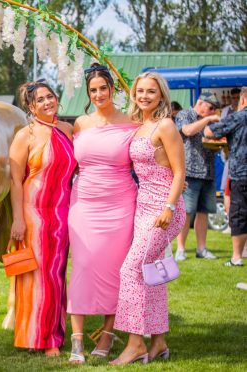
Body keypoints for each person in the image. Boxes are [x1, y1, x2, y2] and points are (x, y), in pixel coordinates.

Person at [112, 72, 186, 365]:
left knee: (131, 270)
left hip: (163, 210)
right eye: (140, 91)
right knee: (152, 276)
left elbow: (180, 171)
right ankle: (159, 342)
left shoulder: (166, 126)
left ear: (161, 95)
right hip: (142, 208)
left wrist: (169, 207)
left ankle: (134, 344)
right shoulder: (139, 126)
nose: (144, 96)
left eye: (151, 92)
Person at [67, 64, 138, 364]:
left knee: (115, 271)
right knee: (82, 266)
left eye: (103, 88)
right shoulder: (81, 123)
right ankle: (77, 341)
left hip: (120, 204)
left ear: (113, 89)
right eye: (93, 90)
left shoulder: (133, 122)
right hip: (83, 203)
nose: (98, 94)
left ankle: (108, 335)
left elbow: (149, 154)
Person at [9, 80, 76, 356]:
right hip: (33, 212)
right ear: (31, 106)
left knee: (56, 275)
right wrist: (17, 219)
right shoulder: (24, 135)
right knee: (34, 275)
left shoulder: (68, 130)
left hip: (62, 212)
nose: (48, 102)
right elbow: (14, 180)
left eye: (51, 96)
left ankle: (52, 334)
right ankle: (36, 336)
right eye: (41, 100)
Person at [174, 91, 221, 261]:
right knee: (186, 212)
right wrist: (207, 120)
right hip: (190, 172)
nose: (212, 112)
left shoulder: (207, 120)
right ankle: (180, 249)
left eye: (215, 109)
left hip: (208, 172)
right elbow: (187, 131)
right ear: (201, 103)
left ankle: (202, 249)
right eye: (211, 108)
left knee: (204, 212)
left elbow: (210, 138)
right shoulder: (185, 114)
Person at [204, 86, 247, 267]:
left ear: (243, 100)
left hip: (241, 173)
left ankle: (237, 257)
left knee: (239, 215)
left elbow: (209, 132)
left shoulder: (239, 116)